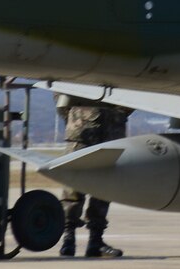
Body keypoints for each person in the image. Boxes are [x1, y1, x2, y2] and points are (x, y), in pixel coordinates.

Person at [57, 97, 131, 258]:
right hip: (82, 128)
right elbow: (60, 94)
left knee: (104, 186)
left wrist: (121, 112)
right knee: (74, 184)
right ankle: (68, 238)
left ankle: (95, 241)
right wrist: (74, 116)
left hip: (112, 127)